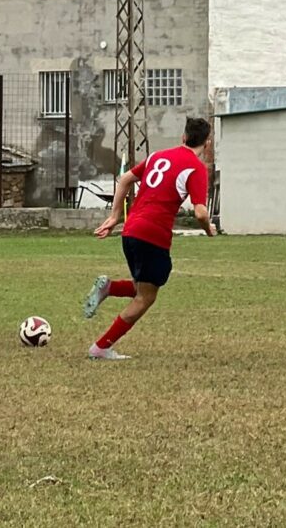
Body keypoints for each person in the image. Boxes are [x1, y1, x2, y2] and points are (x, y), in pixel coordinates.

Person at [83, 117, 214, 360]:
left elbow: (124, 179)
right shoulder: (196, 168)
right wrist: (208, 229)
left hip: (131, 231)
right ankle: (100, 348)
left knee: (143, 286)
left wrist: (114, 217)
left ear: (183, 137)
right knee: (146, 297)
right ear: (207, 143)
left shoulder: (157, 156)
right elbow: (200, 212)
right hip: (153, 235)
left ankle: (109, 288)